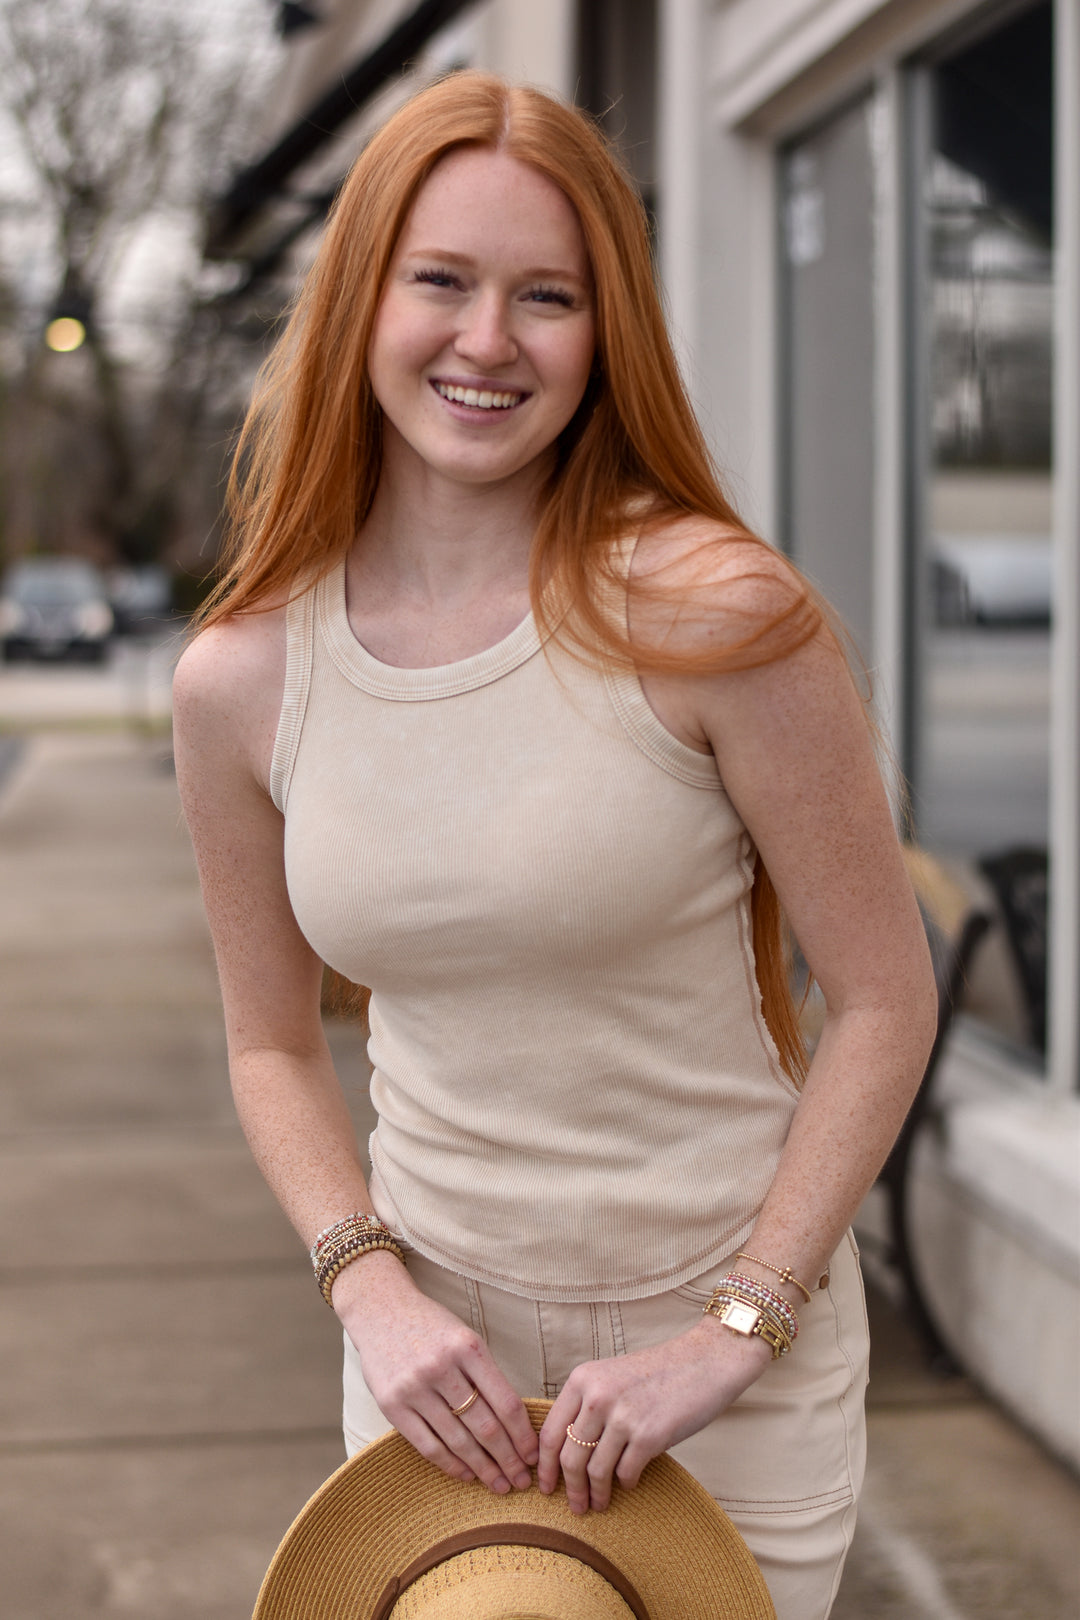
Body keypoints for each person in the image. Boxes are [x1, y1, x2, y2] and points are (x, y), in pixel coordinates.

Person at [173, 70, 937, 1620]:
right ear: (359, 298)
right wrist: (369, 1294)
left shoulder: (715, 618)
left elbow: (884, 999)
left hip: (722, 1372)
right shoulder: (244, 682)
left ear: (607, 334)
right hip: (430, 1373)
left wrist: (737, 1330)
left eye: (549, 296)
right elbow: (269, 1044)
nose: (488, 341)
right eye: (441, 280)